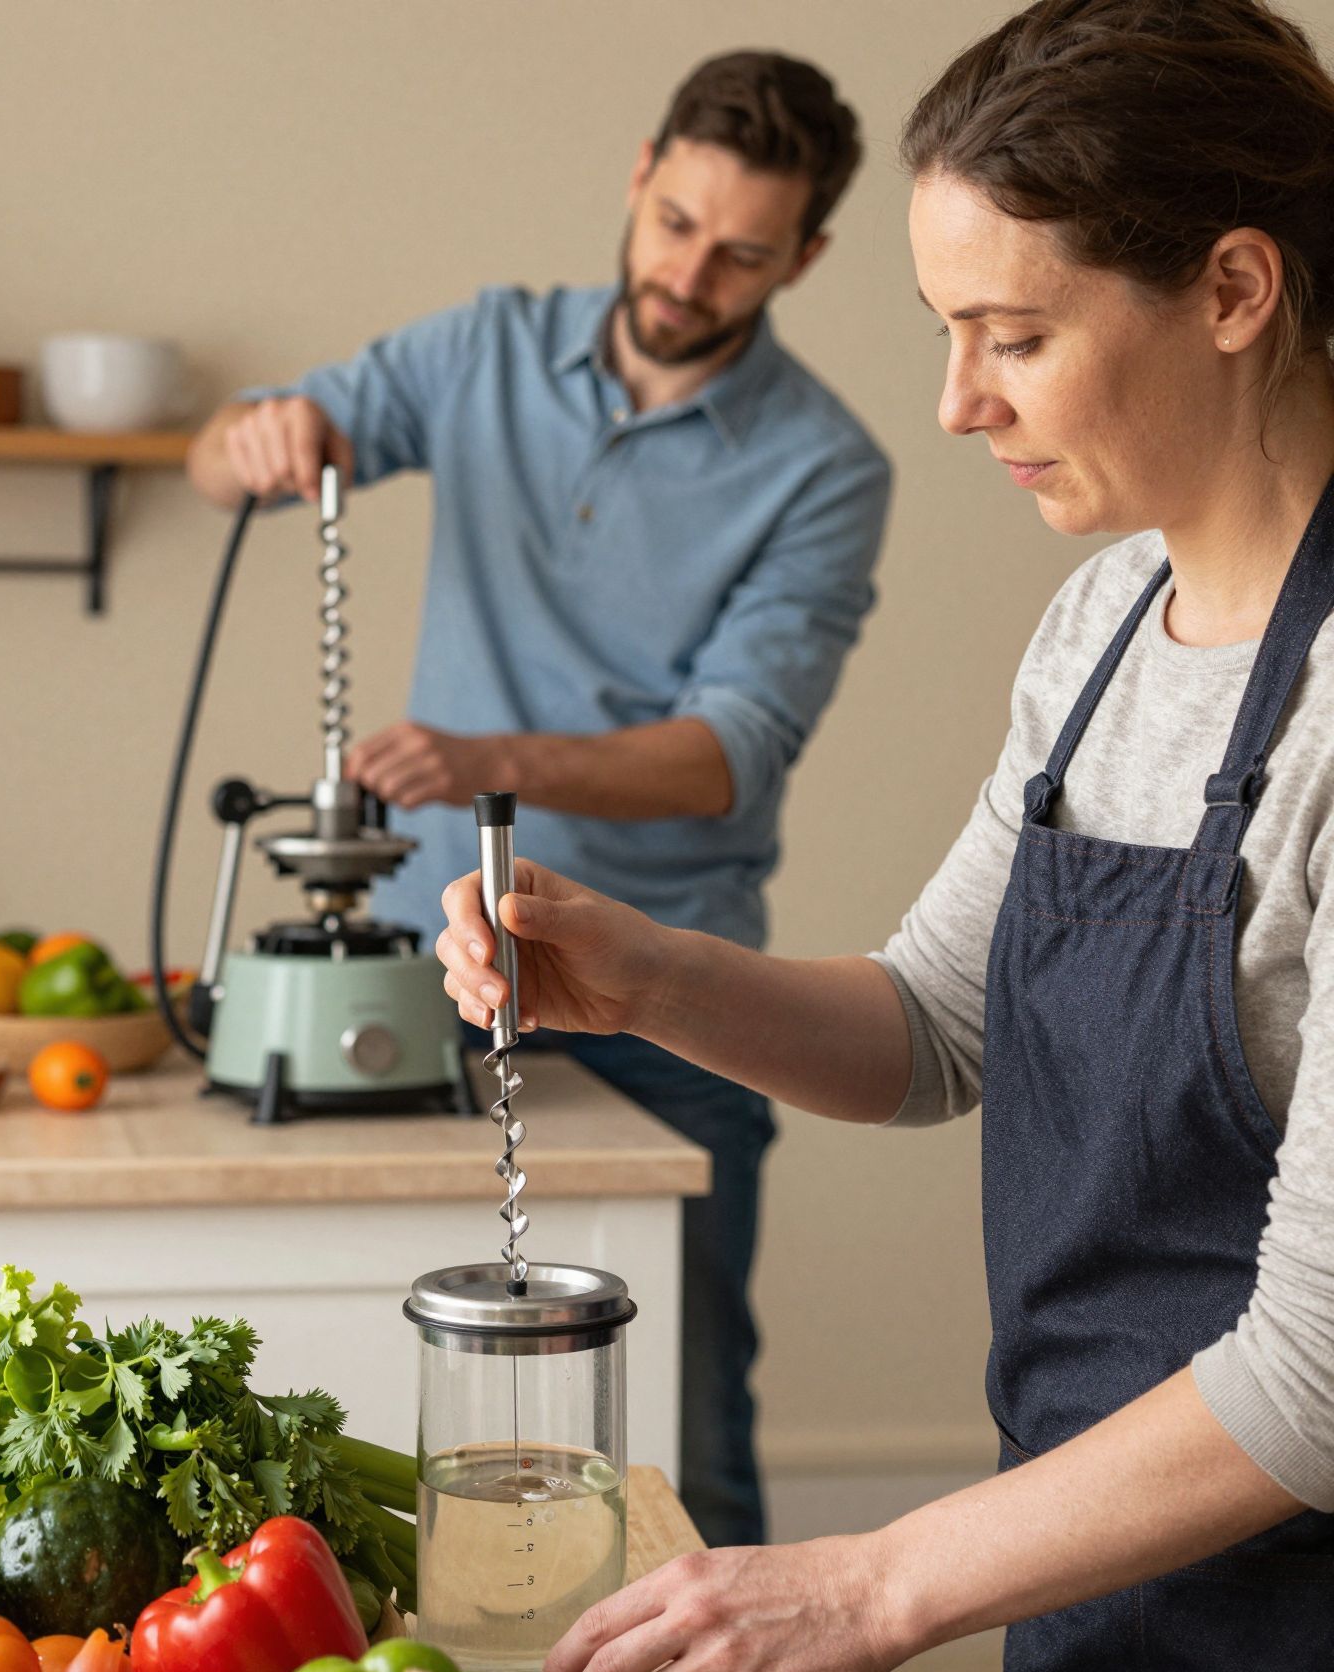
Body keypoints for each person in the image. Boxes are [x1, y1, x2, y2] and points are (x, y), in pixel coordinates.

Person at [435, 3, 1334, 1672]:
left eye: (1010, 334)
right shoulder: (1104, 626)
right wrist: (644, 966)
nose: (955, 404)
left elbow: (1320, 1367)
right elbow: (936, 1025)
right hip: (1104, 1636)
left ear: (1232, 286)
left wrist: (864, 1584)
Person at [187, 50, 892, 1551]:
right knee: (399, 1380)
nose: (691, 272)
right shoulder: (485, 351)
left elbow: (729, 749)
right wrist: (261, 436)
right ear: (641, 175)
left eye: (743, 252)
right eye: (679, 222)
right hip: (444, 970)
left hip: (672, 1003)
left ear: (807, 258)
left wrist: (490, 757)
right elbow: (243, 443)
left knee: (689, 1415)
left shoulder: (826, 465)